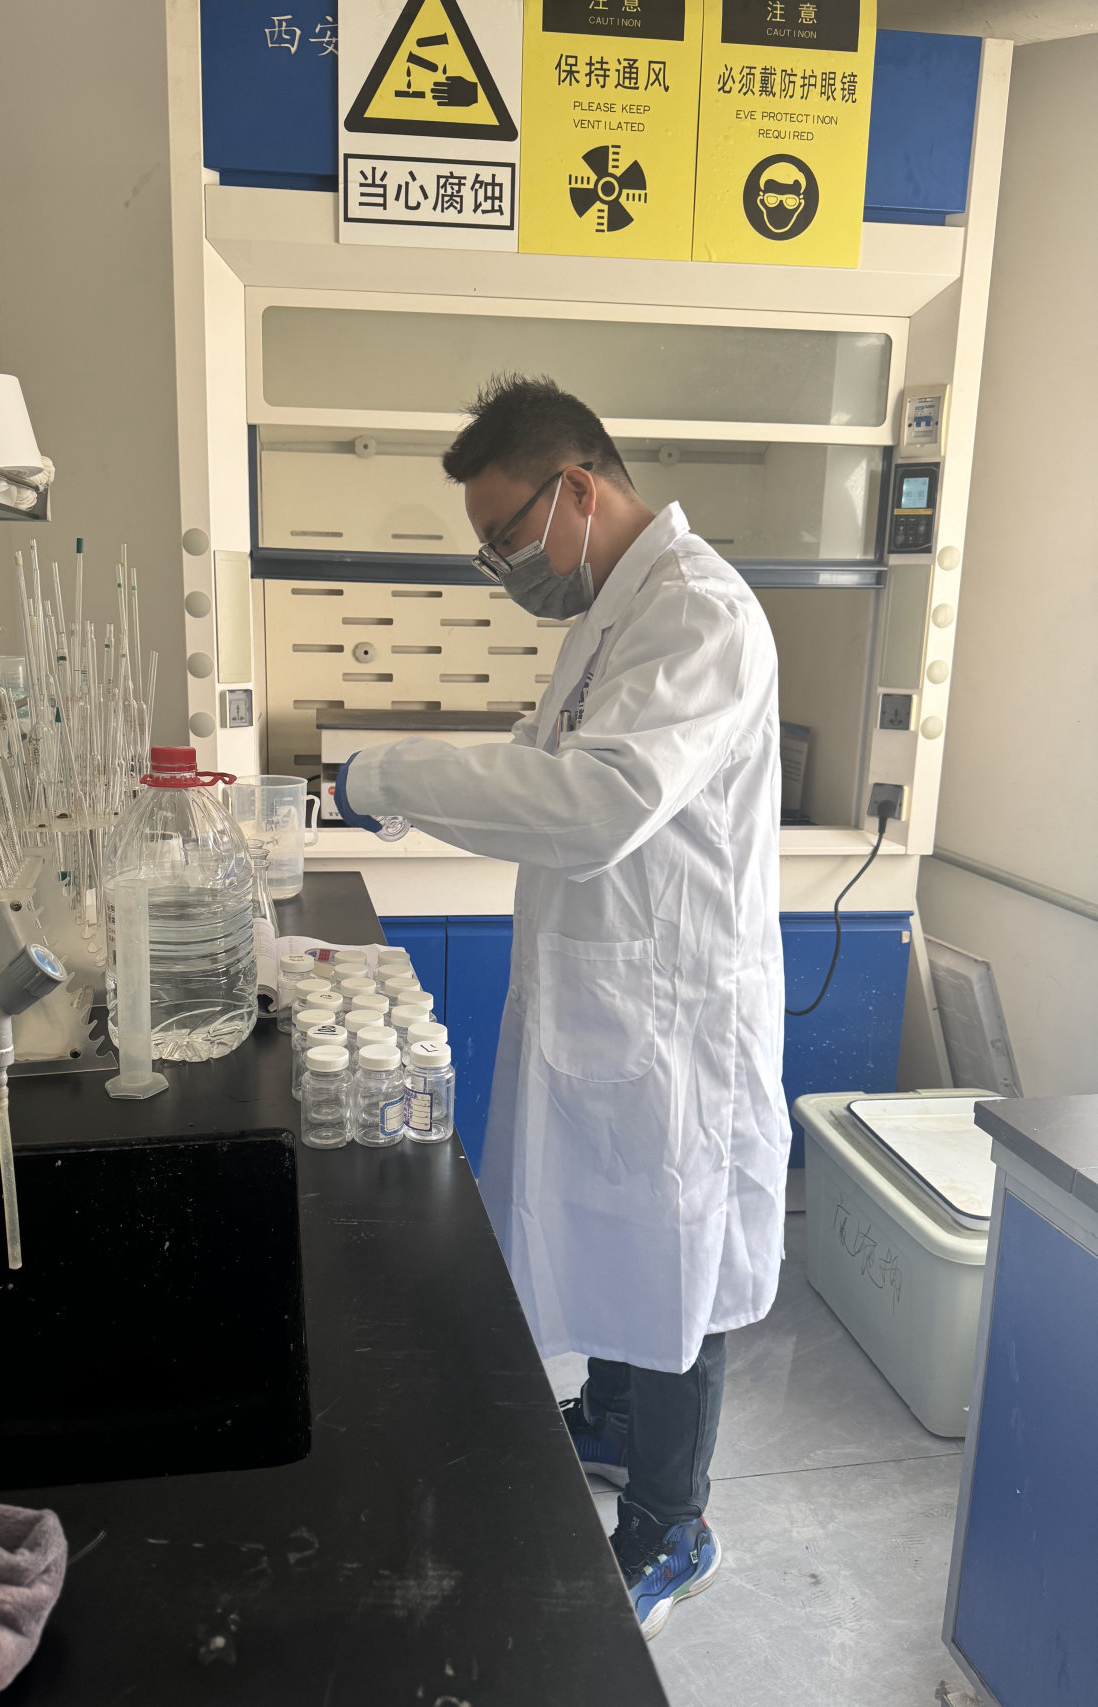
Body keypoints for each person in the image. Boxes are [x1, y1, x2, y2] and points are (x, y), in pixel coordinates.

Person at [334, 375, 790, 1640]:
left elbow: (592, 807)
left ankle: (672, 1523)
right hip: (610, 991)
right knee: (614, 1219)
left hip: (676, 1012)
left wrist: (386, 775)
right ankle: (610, 1414)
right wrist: (404, 783)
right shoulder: (614, 610)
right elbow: (549, 770)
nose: (503, 569)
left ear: (577, 490)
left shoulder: (696, 613)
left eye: (505, 537)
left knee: (674, 1246)